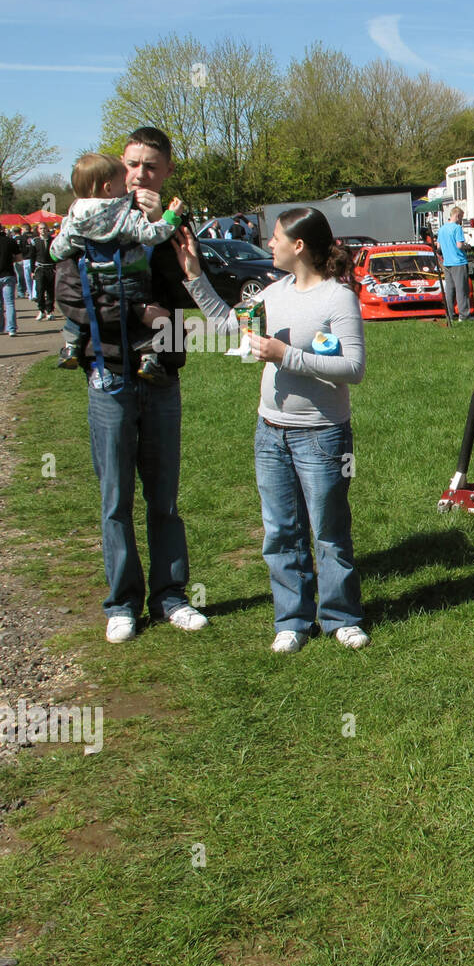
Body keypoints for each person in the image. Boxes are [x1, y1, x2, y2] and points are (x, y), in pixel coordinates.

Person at [174, 207, 369, 652]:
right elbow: (231, 325)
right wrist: (194, 276)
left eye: (276, 237)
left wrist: (286, 356)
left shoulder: (338, 299)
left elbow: (353, 369)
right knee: (281, 532)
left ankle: (341, 617)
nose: (269, 244)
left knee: (328, 529)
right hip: (270, 432)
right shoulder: (272, 291)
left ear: (298, 246)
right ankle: (293, 620)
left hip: (321, 435)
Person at [64, 127, 208, 643]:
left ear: (167, 171)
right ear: (118, 169)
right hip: (109, 374)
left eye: (150, 166)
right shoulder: (89, 217)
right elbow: (69, 294)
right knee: (115, 498)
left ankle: (170, 595)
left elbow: (191, 294)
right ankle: (121, 603)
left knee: (164, 497)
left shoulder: (170, 226)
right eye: (131, 164)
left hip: (161, 373)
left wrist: (160, 227)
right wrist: (130, 308)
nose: (138, 174)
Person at [51, 151, 183, 381]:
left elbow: (56, 251)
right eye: (122, 184)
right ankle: (149, 361)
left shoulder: (74, 218)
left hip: (91, 281)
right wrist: (170, 217)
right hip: (130, 280)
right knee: (149, 319)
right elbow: (152, 234)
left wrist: (64, 251)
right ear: (108, 188)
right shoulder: (123, 213)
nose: (127, 188)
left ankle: (70, 347)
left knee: (78, 316)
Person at [437, 206, 472, 321]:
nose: (461, 220)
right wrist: (466, 246)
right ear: (457, 216)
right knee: (461, 290)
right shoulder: (457, 228)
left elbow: (439, 247)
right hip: (459, 261)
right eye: (461, 217)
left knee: (450, 290)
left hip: (447, 262)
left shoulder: (441, 229)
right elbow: (459, 245)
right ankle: (464, 315)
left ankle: (449, 315)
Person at [29, 222, 56, 320]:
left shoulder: (53, 240)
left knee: (50, 291)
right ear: (38, 230)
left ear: (47, 229)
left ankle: (49, 311)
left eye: (44, 228)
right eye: (41, 229)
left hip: (50, 268)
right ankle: (41, 310)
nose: (43, 230)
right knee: (39, 291)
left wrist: (56, 268)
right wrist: (32, 271)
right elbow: (32, 257)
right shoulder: (35, 241)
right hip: (40, 268)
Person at [0, 226, 16, 335]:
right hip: (8, 273)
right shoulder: (10, 241)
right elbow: (19, 258)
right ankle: (11, 329)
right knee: (9, 303)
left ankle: (0, 327)